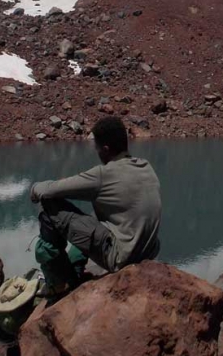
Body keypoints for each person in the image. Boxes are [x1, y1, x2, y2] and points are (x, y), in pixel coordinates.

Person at [29, 116, 162, 297]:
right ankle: (75, 267)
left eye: (97, 148)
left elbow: (46, 191)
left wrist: (35, 189)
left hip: (120, 258)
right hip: (148, 252)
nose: (97, 153)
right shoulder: (146, 167)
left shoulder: (103, 174)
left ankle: (60, 282)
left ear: (105, 149)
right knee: (96, 213)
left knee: (48, 205)